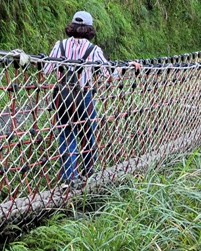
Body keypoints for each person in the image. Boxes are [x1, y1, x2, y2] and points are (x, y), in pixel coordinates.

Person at [43, 11, 140, 183]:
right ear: (89, 29)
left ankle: (70, 178)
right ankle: (89, 174)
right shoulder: (93, 50)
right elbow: (108, 75)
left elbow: (46, 70)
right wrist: (128, 66)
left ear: (72, 26)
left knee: (66, 135)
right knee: (88, 135)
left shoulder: (60, 45)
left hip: (62, 97)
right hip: (84, 96)